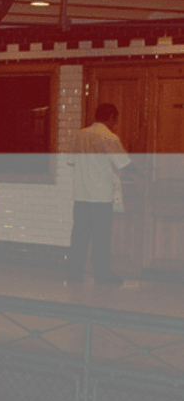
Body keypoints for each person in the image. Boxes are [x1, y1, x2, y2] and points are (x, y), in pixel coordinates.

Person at [66, 103, 133, 286]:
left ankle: (74, 275)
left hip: (80, 195)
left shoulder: (78, 136)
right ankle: (102, 276)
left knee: (79, 236)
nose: (116, 123)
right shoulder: (109, 137)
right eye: (116, 119)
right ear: (111, 117)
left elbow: (70, 162)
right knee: (101, 239)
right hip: (101, 197)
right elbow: (124, 164)